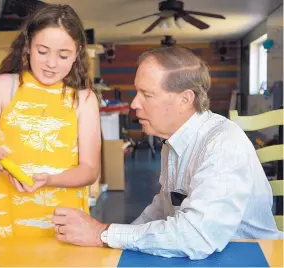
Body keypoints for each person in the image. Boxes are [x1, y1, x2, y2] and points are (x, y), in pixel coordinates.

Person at [52, 46, 283, 260]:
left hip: (252, 256)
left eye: (147, 95)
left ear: (185, 99)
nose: (134, 104)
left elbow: (196, 236)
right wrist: (109, 239)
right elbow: (163, 209)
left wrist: (102, 233)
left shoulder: (223, 144)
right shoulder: (172, 143)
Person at [0, 4, 101, 237]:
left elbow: (90, 170)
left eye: (63, 55)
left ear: (77, 52)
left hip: (62, 219)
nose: (51, 63)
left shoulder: (84, 99)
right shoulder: (3, 87)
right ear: (28, 45)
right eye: (42, 51)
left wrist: (50, 179)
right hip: (5, 213)